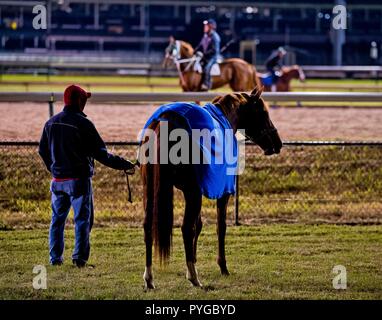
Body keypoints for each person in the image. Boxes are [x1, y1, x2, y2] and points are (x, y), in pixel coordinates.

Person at [39, 84, 135, 268]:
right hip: (79, 181)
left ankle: (55, 258)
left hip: (57, 181)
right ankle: (79, 258)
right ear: (79, 101)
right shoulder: (84, 124)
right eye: (84, 100)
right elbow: (102, 155)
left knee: (57, 221)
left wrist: (54, 169)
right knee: (83, 220)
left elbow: (42, 150)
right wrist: (124, 164)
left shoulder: (50, 123)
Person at [195, 19, 221, 91]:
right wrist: (195, 51)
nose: (204, 27)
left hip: (213, 57)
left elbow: (214, 50)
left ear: (211, 27)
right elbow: (200, 45)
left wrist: (203, 54)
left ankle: (206, 84)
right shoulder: (205, 36)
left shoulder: (215, 37)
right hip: (205, 56)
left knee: (207, 67)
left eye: (206, 26)